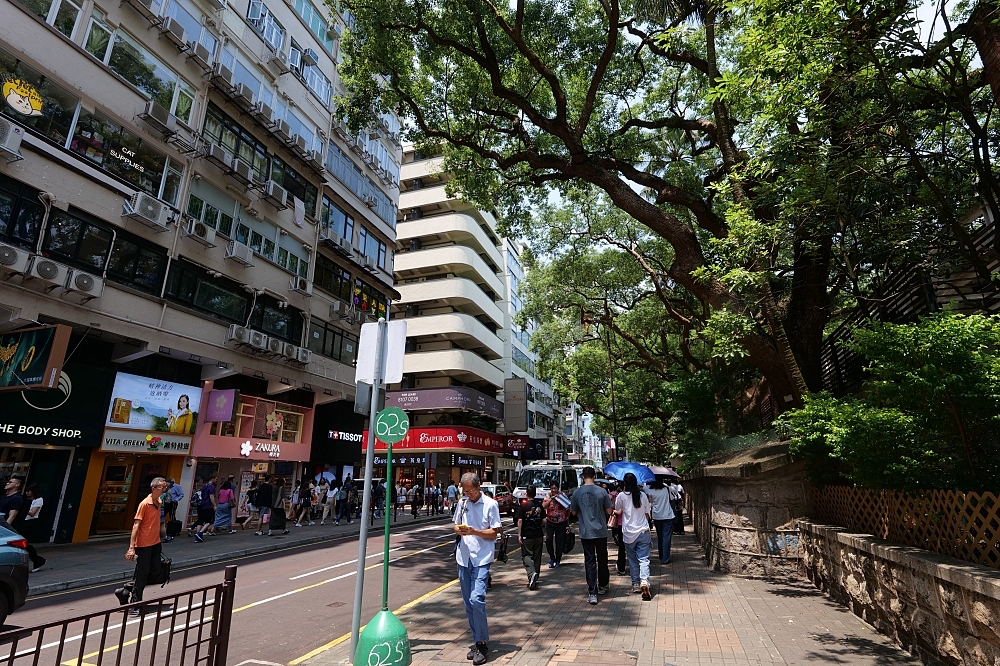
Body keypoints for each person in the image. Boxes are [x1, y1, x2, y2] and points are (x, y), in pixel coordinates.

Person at [453, 473, 501, 665]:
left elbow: (494, 532)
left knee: (476, 598)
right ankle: (477, 640)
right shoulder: (462, 503)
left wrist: (474, 531)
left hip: (482, 558)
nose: (469, 494)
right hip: (463, 557)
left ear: (479, 486)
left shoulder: (490, 504)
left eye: (471, 490)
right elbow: (455, 525)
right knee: (467, 603)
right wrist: (461, 530)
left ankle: (482, 642)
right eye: (466, 491)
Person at [570, 466, 613, 606]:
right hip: (600, 531)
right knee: (602, 558)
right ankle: (603, 585)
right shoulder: (602, 491)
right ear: (594, 476)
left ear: (583, 476)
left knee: (589, 561)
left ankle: (592, 592)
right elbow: (608, 510)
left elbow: (574, 513)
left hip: (585, 531)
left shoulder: (577, 492)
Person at [125, 477, 167, 614]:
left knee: (155, 570)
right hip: (143, 544)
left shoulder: (159, 501)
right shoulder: (144, 504)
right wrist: (132, 547)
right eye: (162, 487)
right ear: (153, 489)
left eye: (165, 487)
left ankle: (126, 589)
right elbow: (136, 525)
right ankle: (135, 604)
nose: (164, 489)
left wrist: (162, 533)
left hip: (156, 542)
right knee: (142, 574)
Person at [615, 472, 653, 600]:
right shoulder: (642, 495)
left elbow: (618, 511)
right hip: (643, 531)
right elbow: (647, 514)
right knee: (644, 559)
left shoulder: (621, 496)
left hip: (628, 533)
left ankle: (636, 584)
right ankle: (644, 581)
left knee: (632, 560)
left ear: (624, 483)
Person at [515, 485, 545, 590]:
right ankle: (535, 577)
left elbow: (520, 520)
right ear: (535, 493)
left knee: (527, 556)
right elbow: (544, 520)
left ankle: (532, 573)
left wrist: (519, 534)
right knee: (537, 556)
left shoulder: (523, 506)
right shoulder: (539, 505)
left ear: (526, 493)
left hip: (527, 535)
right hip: (538, 534)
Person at [643, 477, 675, 564]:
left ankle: (661, 555)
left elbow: (649, 500)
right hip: (668, 515)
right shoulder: (667, 489)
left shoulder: (649, 491)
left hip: (657, 516)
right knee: (667, 537)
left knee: (660, 536)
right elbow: (673, 497)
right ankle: (665, 558)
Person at [542, 481, 570, 568]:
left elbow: (568, 507)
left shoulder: (562, 495)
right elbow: (544, 506)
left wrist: (567, 522)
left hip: (561, 522)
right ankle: (552, 558)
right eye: (552, 488)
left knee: (559, 542)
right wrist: (551, 498)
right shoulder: (548, 495)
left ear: (558, 488)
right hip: (550, 521)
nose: (553, 490)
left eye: (555, 488)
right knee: (548, 539)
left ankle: (558, 559)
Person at [20, 483, 45, 572]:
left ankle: (38, 560)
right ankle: (38, 560)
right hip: (24, 522)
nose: (27, 493)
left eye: (28, 491)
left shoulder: (39, 500)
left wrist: (24, 508)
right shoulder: (28, 499)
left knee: (24, 543)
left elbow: (33, 513)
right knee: (23, 543)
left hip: (31, 523)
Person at [608, 481, 627, 575]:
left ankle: (621, 567)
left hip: (622, 524)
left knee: (622, 547)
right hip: (635, 525)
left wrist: (612, 511)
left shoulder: (621, 496)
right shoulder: (640, 495)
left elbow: (618, 511)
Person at [194, 476, 217, 542]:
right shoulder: (211, 487)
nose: (216, 480)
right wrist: (214, 505)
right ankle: (200, 533)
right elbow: (211, 497)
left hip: (201, 505)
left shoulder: (204, 486)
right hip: (207, 506)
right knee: (210, 520)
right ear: (212, 479)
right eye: (215, 479)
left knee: (200, 520)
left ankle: (197, 536)